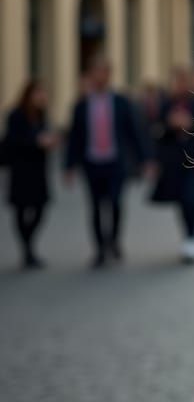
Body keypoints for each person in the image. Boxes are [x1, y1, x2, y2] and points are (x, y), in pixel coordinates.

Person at [64, 56, 153, 266]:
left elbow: (134, 132)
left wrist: (146, 159)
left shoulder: (121, 102)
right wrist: (69, 166)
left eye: (104, 72)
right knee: (95, 206)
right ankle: (99, 249)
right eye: (96, 72)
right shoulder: (82, 105)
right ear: (90, 75)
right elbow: (75, 137)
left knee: (114, 203)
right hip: (92, 162)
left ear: (109, 75)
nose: (100, 76)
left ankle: (113, 240)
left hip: (116, 163)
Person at [151, 66, 194, 262]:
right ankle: (187, 236)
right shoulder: (167, 104)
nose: (180, 85)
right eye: (178, 81)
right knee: (181, 201)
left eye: (184, 81)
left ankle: (193, 238)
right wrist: (170, 125)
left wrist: (189, 124)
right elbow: (157, 132)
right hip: (174, 164)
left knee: (191, 199)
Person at [4, 80, 58, 268]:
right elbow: (13, 141)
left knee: (40, 209)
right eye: (39, 93)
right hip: (21, 170)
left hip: (38, 170)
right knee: (21, 209)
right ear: (29, 94)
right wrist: (36, 142)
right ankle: (27, 248)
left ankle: (28, 244)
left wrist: (50, 142)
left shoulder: (42, 115)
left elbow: (47, 135)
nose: (42, 97)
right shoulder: (15, 115)